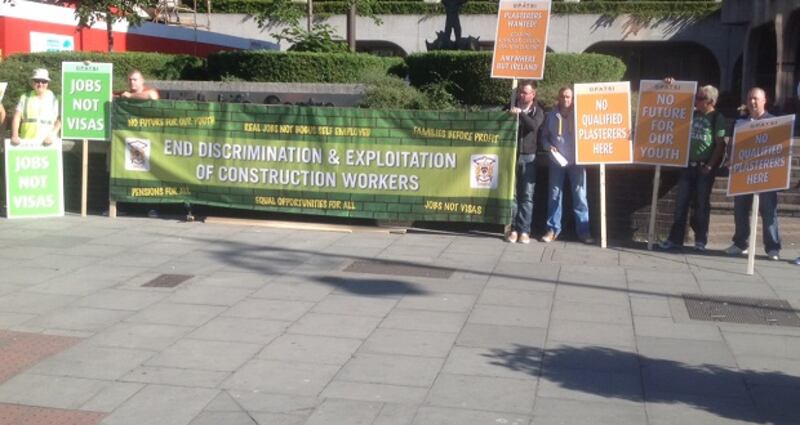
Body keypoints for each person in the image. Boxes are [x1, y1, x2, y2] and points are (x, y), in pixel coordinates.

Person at [659, 84, 726, 251]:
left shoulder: (717, 118)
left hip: (704, 167)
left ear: (710, 101)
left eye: (700, 98)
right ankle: (675, 239)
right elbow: (672, 105)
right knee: (681, 203)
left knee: (702, 204)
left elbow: (719, 145)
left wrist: (710, 166)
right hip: (687, 165)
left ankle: (700, 239)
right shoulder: (692, 114)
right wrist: (671, 84)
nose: (696, 100)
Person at [724, 87, 781, 260]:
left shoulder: (776, 122)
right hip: (742, 173)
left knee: (768, 209)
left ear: (765, 100)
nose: (752, 102)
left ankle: (772, 247)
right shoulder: (739, 122)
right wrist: (730, 158)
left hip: (766, 173)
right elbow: (732, 145)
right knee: (740, 209)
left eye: (756, 98)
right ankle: (741, 243)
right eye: (750, 99)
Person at [541, 86, 593, 244]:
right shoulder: (550, 116)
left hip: (576, 161)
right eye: (563, 96)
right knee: (554, 196)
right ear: (558, 97)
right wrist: (547, 146)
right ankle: (552, 230)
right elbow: (544, 137)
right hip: (557, 161)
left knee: (580, 197)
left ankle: (584, 232)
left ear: (573, 98)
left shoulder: (581, 115)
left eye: (568, 97)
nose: (566, 99)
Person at [505, 81, 544, 244]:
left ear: (533, 94)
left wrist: (521, 114)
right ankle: (513, 229)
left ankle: (525, 230)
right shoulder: (510, 107)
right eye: (521, 92)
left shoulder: (538, 111)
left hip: (529, 157)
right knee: (512, 194)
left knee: (527, 195)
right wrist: (510, 114)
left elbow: (534, 126)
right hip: (512, 154)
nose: (522, 95)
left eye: (526, 93)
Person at [11, 68, 60, 146]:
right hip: (26, 143)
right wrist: (15, 135)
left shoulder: (55, 98)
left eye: (44, 81)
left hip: (48, 143)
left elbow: (60, 120)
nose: (40, 84)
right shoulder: (25, 97)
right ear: (32, 82)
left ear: (47, 83)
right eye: (37, 81)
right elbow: (17, 117)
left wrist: (52, 135)